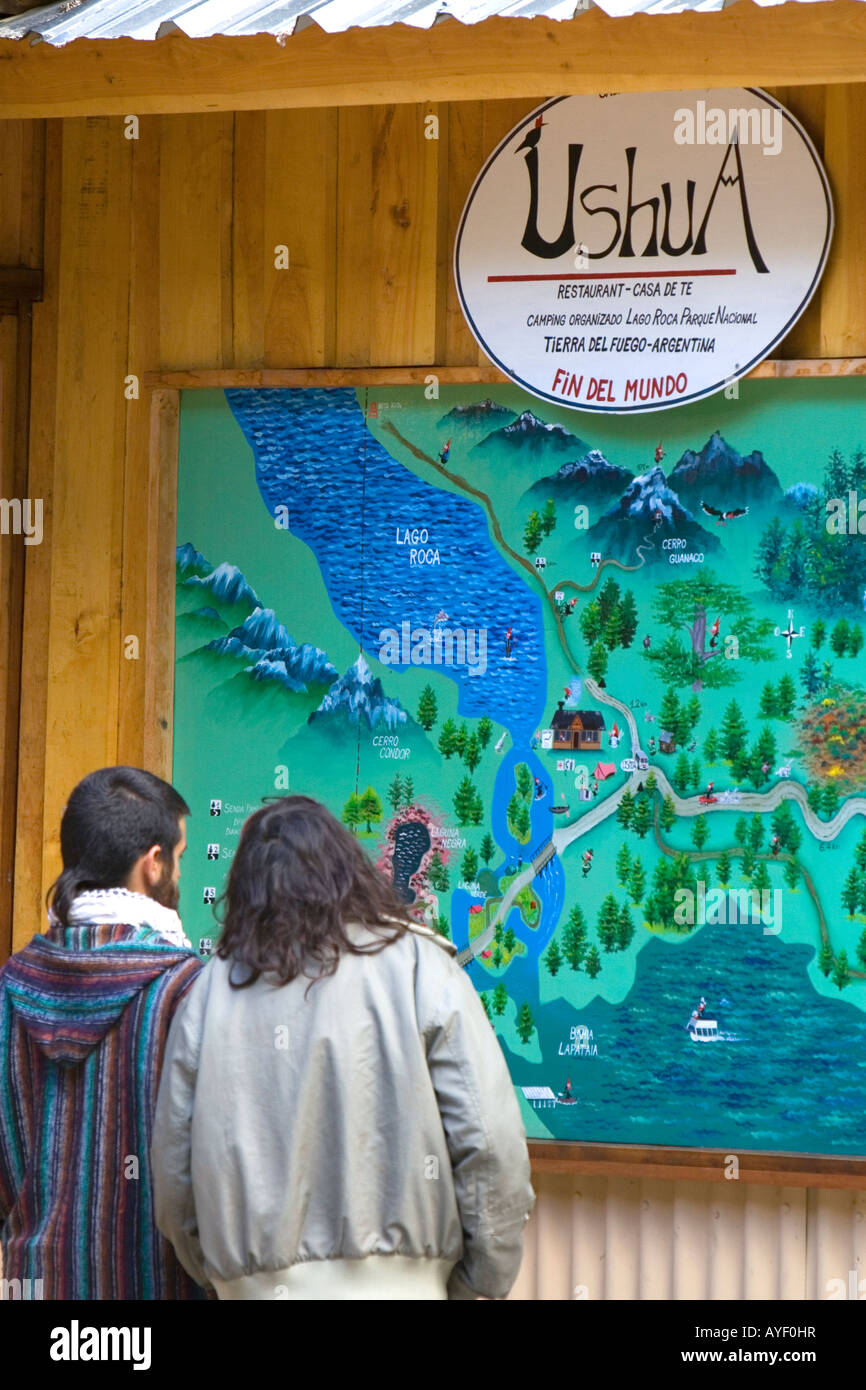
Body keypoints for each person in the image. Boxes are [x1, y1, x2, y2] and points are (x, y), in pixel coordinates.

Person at [152, 794, 535, 1301]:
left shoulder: (208, 995)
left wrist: (230, 1279)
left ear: (244, 888)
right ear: (347, 867)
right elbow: (490, 1146)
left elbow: (174, 1176)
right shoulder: (422, 968)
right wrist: (474, 1281)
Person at [0, 766, 206, 1300]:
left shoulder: (7, 989)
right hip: (158, 1288)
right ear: (152, 863)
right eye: (179, 859)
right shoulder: (190, 992)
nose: (178, 875)